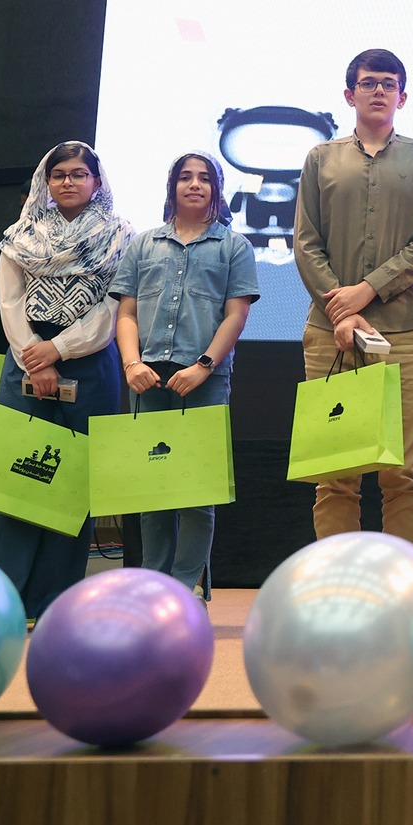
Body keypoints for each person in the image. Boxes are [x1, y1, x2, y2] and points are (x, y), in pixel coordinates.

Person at [293, 48, 413, 544]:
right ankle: (338, 580)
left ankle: (402, 583)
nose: (378, 90)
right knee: (335, 474)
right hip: (329, 334)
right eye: (368, 82)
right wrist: (340, 311)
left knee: (401, 472)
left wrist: (366, 291)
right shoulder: (321, 158)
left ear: (402, 96)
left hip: (402, 333)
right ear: (349, 94)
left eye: (388, 83)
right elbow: (305, 242)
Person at [0, 142, 131, 618]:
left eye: (79, 173)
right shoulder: (21, 235)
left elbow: (114, 307)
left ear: (96, 181)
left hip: (90, 363)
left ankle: (54, 604)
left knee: (72, 486)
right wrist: (36, 356)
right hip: (25, 358)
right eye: (59, 174)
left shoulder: (119, 236)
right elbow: (9, 302)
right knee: (16, 481)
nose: (68, 181)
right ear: (45, 182)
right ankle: (3, 601)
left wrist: (59, 349)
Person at [111, 153, 259, 599]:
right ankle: (154, 586)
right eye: (185, 177)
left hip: (205, 380)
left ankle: (186, 589)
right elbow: (126, 313)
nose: (195, 185)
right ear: (172, 186)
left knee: (198, 492)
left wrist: (203, 366)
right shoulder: (143, 244)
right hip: (147, 379)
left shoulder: (234, 246)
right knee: (152, 491)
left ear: (216, 189)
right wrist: (132, 364)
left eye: (205, 178)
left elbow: (236, 315)